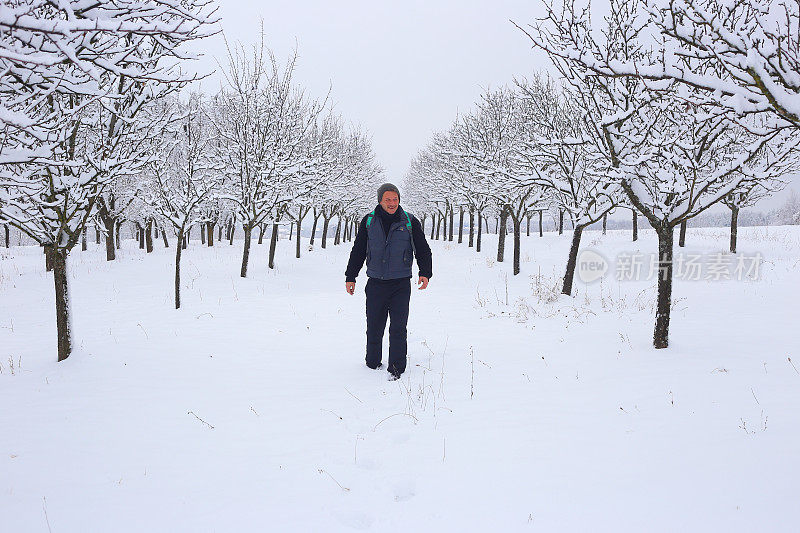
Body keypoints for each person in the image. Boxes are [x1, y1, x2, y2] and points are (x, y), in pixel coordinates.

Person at [345, 183, 432, 380]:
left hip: (401, 284)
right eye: (388, 200)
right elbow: (358, 250)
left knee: (398, 327)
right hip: (375, 283)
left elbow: (423, 249)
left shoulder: (409, 222)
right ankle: (372, 362)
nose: (392, 203)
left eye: (395, 199)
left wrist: (425, 272)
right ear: (380, 201)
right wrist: (351, 276)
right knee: (374, 325)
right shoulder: (369, 222)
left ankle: (396, 368)